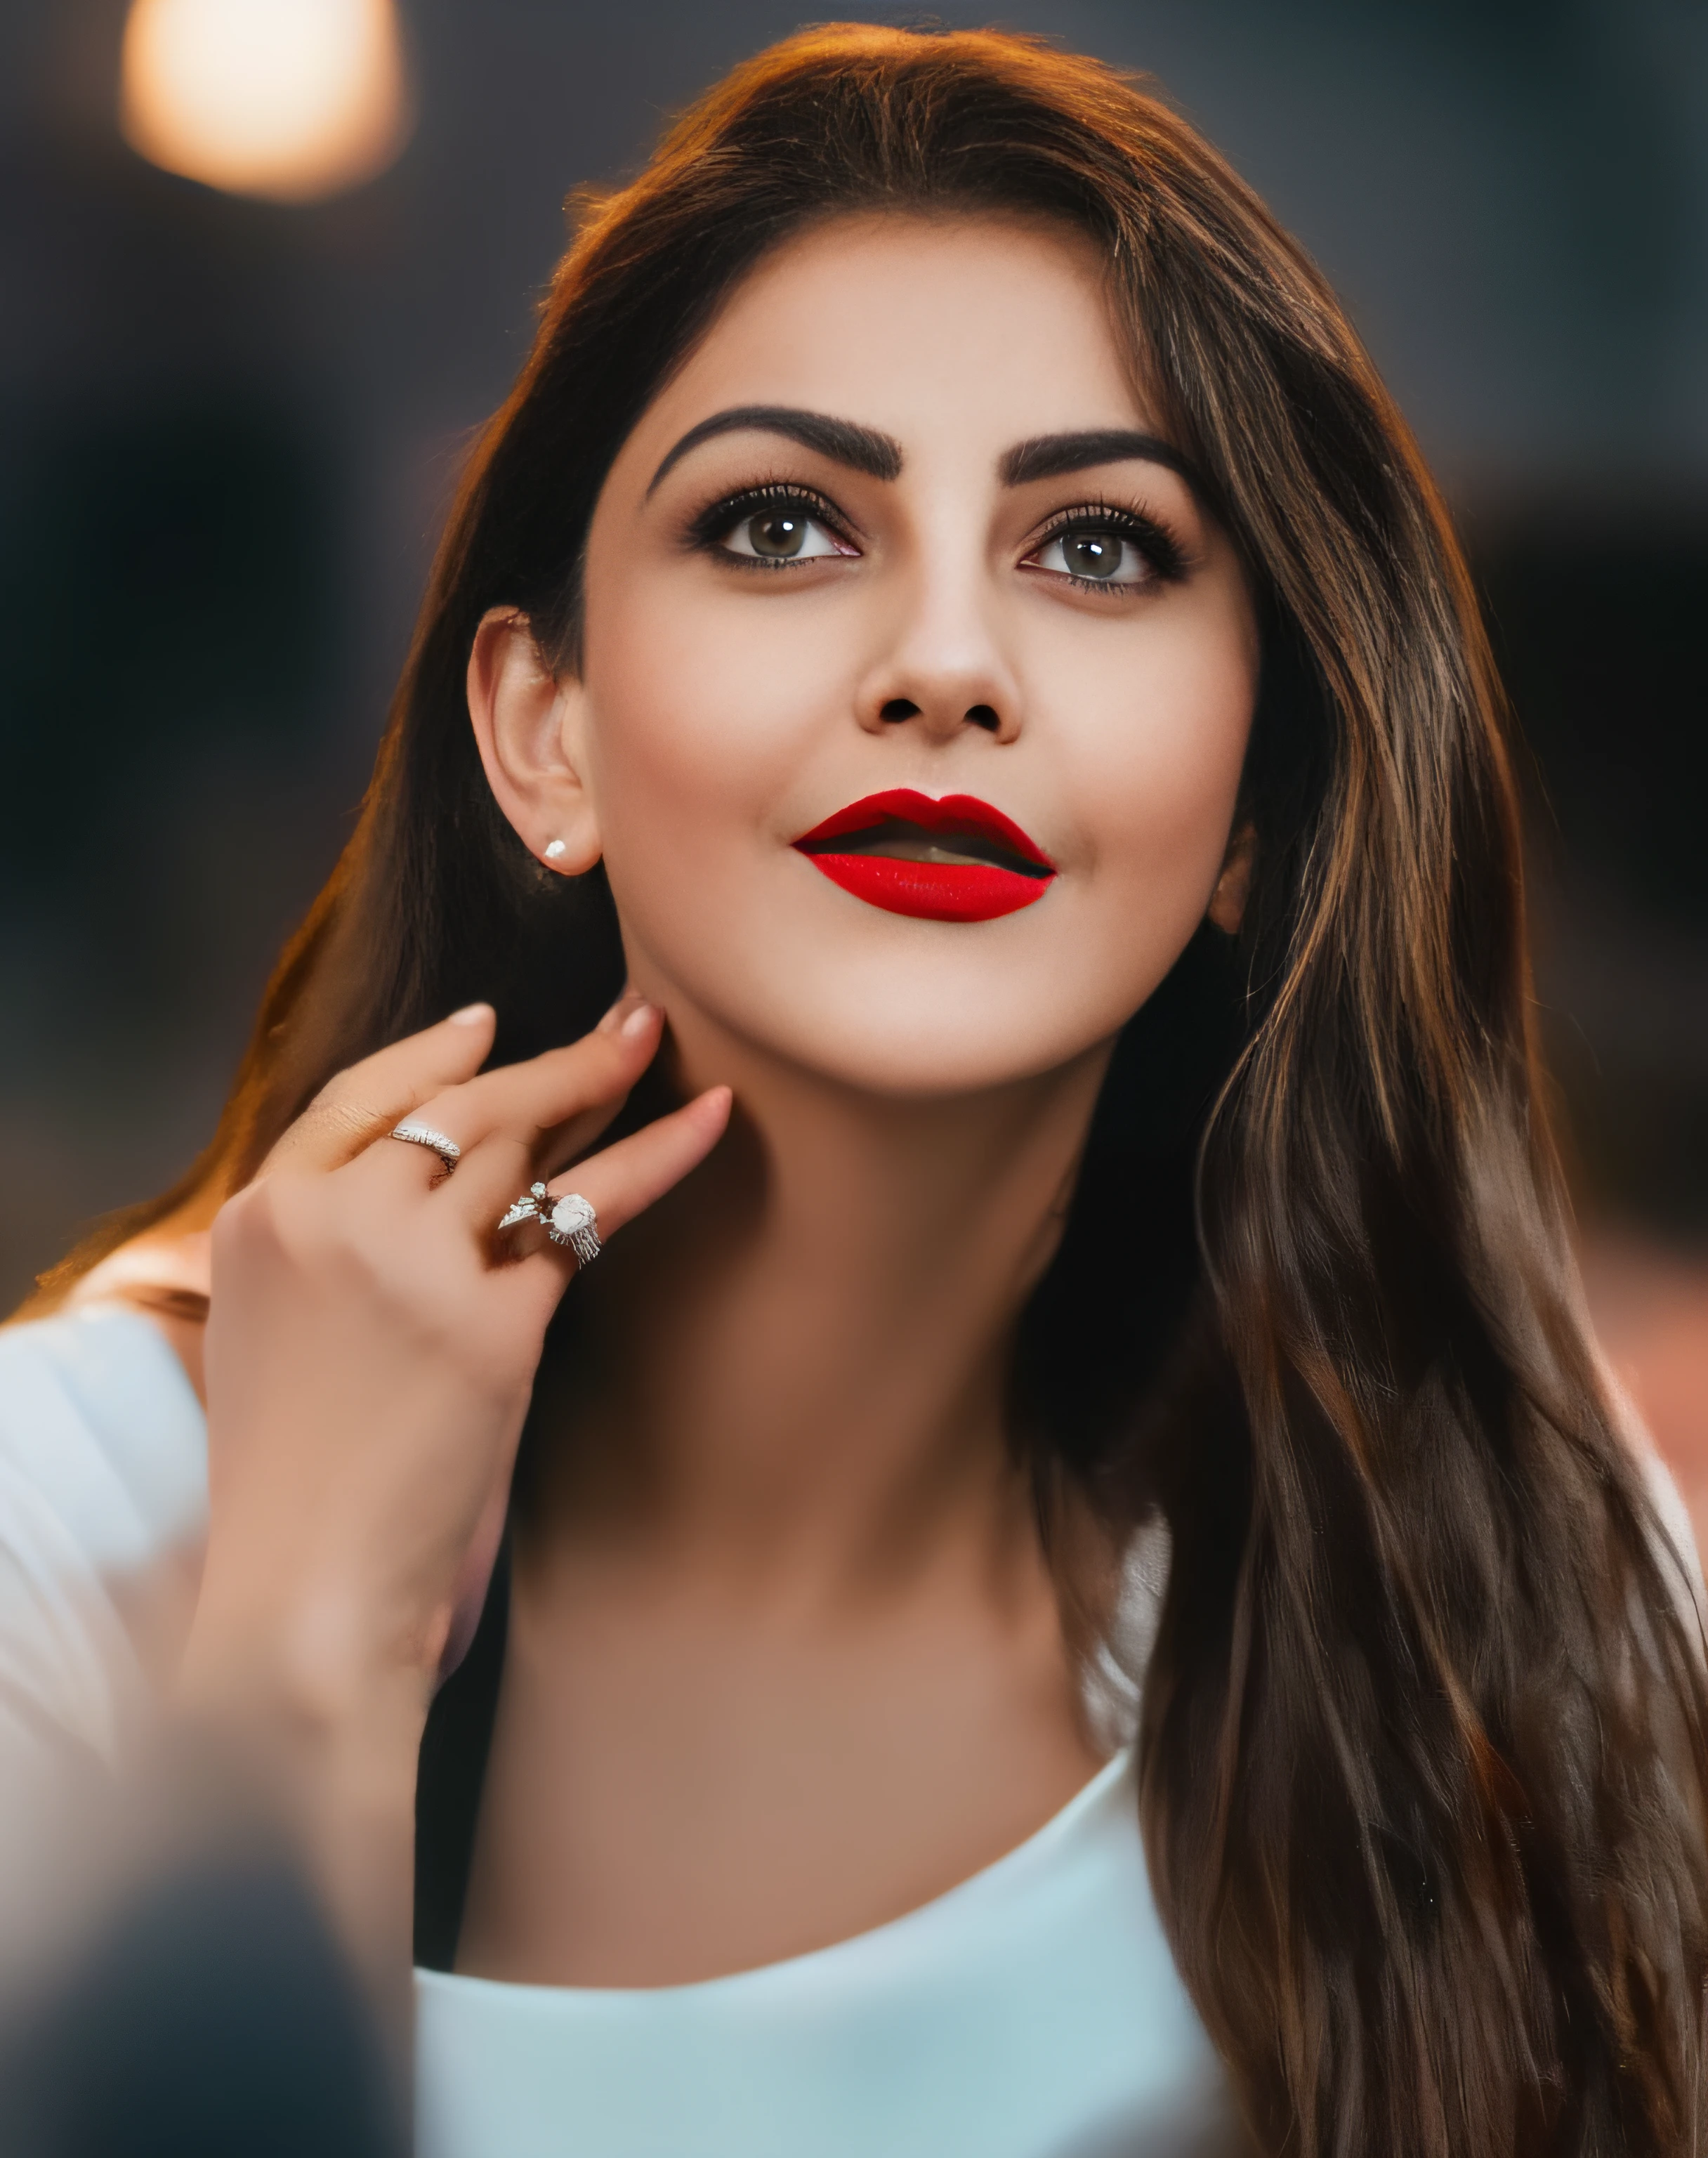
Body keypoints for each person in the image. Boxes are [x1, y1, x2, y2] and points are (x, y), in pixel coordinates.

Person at [4, 24, 1705, 2157]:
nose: (945, 662)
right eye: (786, 523)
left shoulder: (1497, 1600)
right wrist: (306, 1656)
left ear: (1261, 814)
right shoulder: (56, 1536)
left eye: (1099, 549)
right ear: (546, 731)